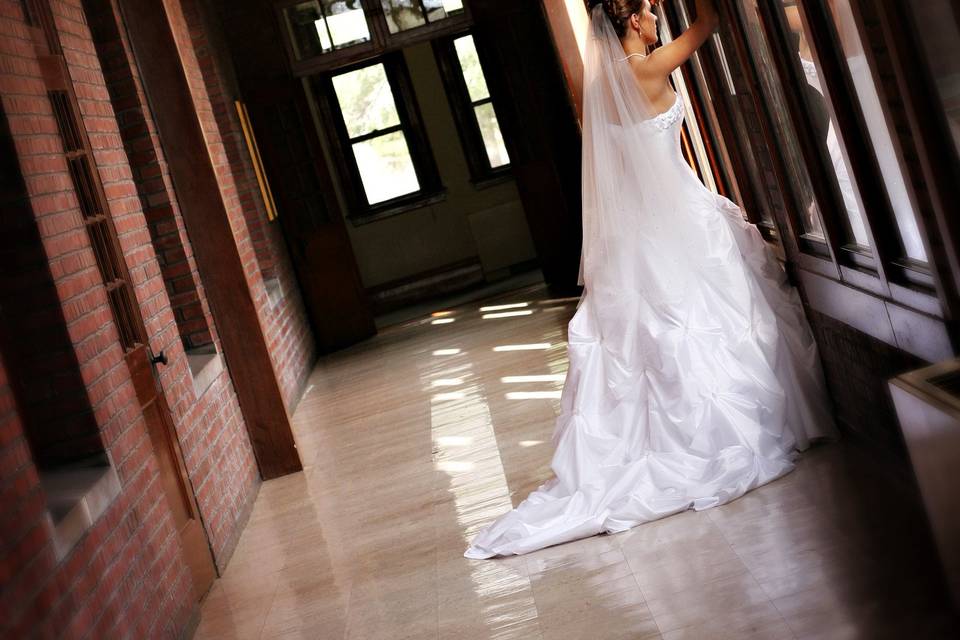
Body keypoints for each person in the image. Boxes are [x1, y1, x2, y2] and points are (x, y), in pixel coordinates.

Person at [464, 0, 837, 560]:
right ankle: (722, 436)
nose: (658, 13)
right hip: (680, 212)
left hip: (639, 227)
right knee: (711, 312)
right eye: (650, 8)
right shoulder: (650, 66)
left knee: (652, 332)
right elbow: (708, 25)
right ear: (634, 22)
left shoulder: (603, 87)